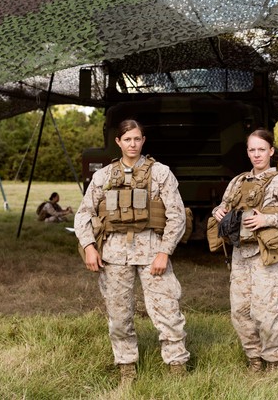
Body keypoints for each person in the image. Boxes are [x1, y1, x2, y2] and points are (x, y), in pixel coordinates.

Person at [74, 119, 190, 383]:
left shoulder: (161, 173)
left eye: (137, 139)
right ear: (118, 142)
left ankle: (177, 366)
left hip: (152, 252)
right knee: (118, 315)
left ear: (143, 140)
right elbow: (83, 214)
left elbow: (176, 216)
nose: (133, 144)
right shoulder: (103, 176)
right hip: (114, 255)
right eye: (127, 139)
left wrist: (165, 251)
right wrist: (89, 246)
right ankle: (126, 366)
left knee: (167, 311)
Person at [212, 128, 278, 372]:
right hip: (241, 254)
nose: (257, 155)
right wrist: (218, 212)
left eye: (261, 149)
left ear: (271, 151)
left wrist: (267, 220)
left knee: (269, 313)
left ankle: (274, 362)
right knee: (240, 312)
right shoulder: (238, 181)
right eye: (252, 150)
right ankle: (254, 359)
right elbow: (223, 206)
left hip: (267, 256)